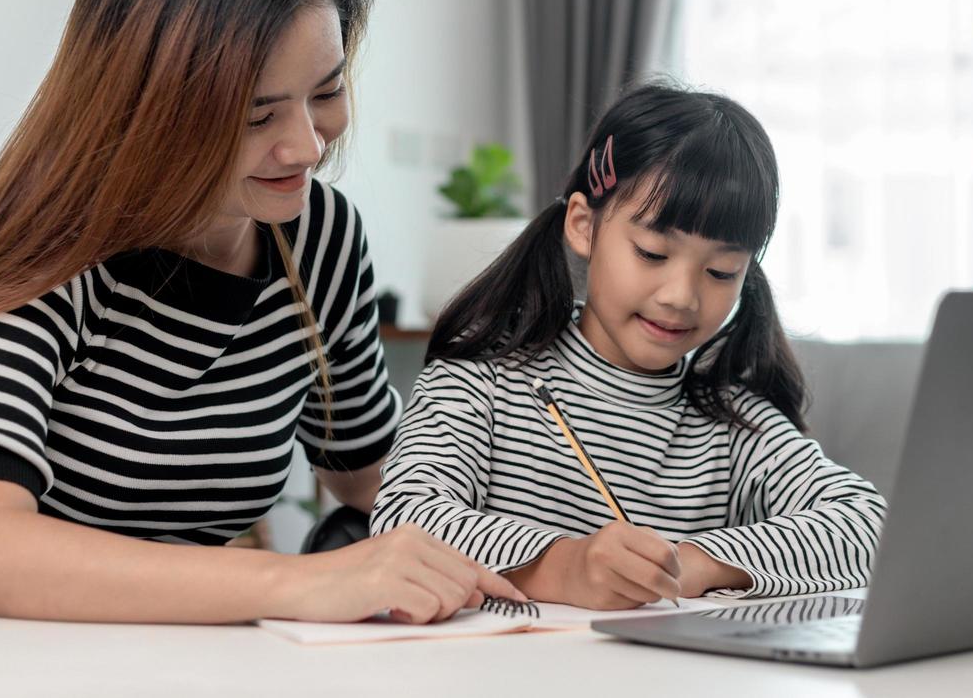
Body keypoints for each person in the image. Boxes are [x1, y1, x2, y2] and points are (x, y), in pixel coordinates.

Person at [0, 0, 523, 624]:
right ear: (153, 108)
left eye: (327, 90)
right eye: (257, 114)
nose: (307, 146)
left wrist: (553, 551)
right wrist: (295, 582)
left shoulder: (318, 238)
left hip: (100, 651)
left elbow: (376, 477)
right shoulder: (44, 256)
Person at [371, 83, 887, 608]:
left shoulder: (731, 418)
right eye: (652, 253)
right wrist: (561, 568)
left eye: (720, 271)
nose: (682, 296)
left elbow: (870, 527)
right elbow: (403, 520)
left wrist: (695, 562)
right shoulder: (483, 376)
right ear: (583, 225)